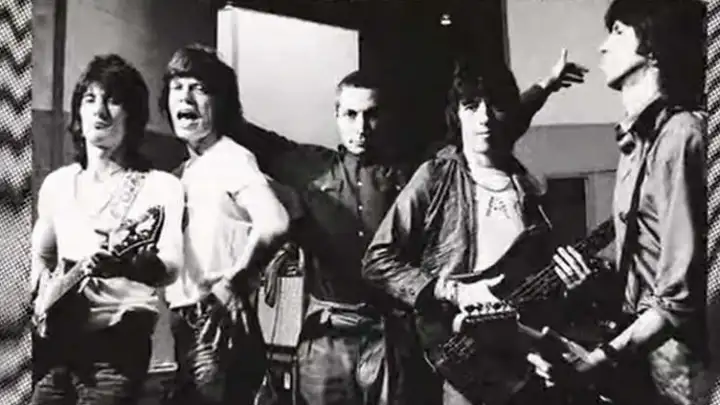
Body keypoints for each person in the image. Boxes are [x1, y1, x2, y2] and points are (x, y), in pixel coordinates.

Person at [236, 48, 585, 405]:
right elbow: (244, 132)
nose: (361, 127)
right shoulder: (307, 167)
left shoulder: (416, 171)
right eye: (351, 114)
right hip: (328, 339)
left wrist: (545, 86)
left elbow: (490, 128)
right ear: (337, 115)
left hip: (393, 337)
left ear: (385, 117)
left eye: (372, 114)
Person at [361, 51, 567, 405]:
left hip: (523, 359)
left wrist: (569, 281)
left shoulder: (528, 188)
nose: (483, 118)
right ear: (456, 114)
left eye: (494, 106)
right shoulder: (435, 177)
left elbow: (539, 278)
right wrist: (452, 291)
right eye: (471, 106)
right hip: (461, 359)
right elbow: (377, 260)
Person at [527, 1, 707, 404]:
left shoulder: (681, 135)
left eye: (618, 32)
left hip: (688, 371)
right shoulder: (635, 143)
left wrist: (595, 362)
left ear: (653, 47)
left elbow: (681, 297)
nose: (602, 46)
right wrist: (594, 286)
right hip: (651, 361)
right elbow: (651, 272)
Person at [29, 54, 185, 404]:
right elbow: (41, 256)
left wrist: (127, 266)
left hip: (116, 350)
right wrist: (44, 295)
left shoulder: (159, 186)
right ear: (78, 112)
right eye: (90, 99)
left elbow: (171, 267)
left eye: (113, 101)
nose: (99, 111)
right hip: (55, 347)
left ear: (133, 116)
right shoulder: (58, 184)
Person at [159, 44, 291, 405]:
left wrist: (233, 282)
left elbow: (275, 222)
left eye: (199, 88)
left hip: (216, 324)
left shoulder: (231, 157)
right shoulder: (187, 170)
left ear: (221, 104)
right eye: (177, 87)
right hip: (189, 322)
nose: (185, 97)